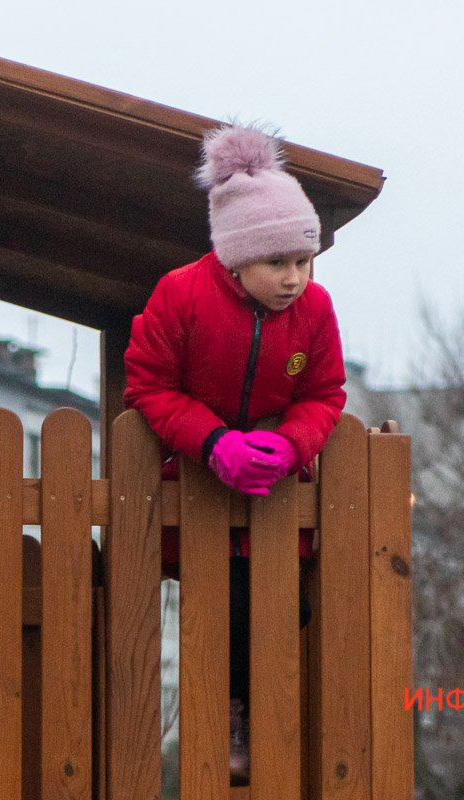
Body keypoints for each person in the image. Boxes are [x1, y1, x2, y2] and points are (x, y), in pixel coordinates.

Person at [123, 124, 347, 785]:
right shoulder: (181, 295)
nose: (293, 279)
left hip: (277, 499)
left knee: (289, 609)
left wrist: (288, 444)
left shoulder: (315, 310)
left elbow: (325, 392)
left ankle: (259, 717)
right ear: (234, 259)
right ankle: (222, 715)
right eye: (276, 263)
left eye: (303, 262)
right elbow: (149, 384)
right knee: (221, 610)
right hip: (196, 487)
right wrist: (212, 442)